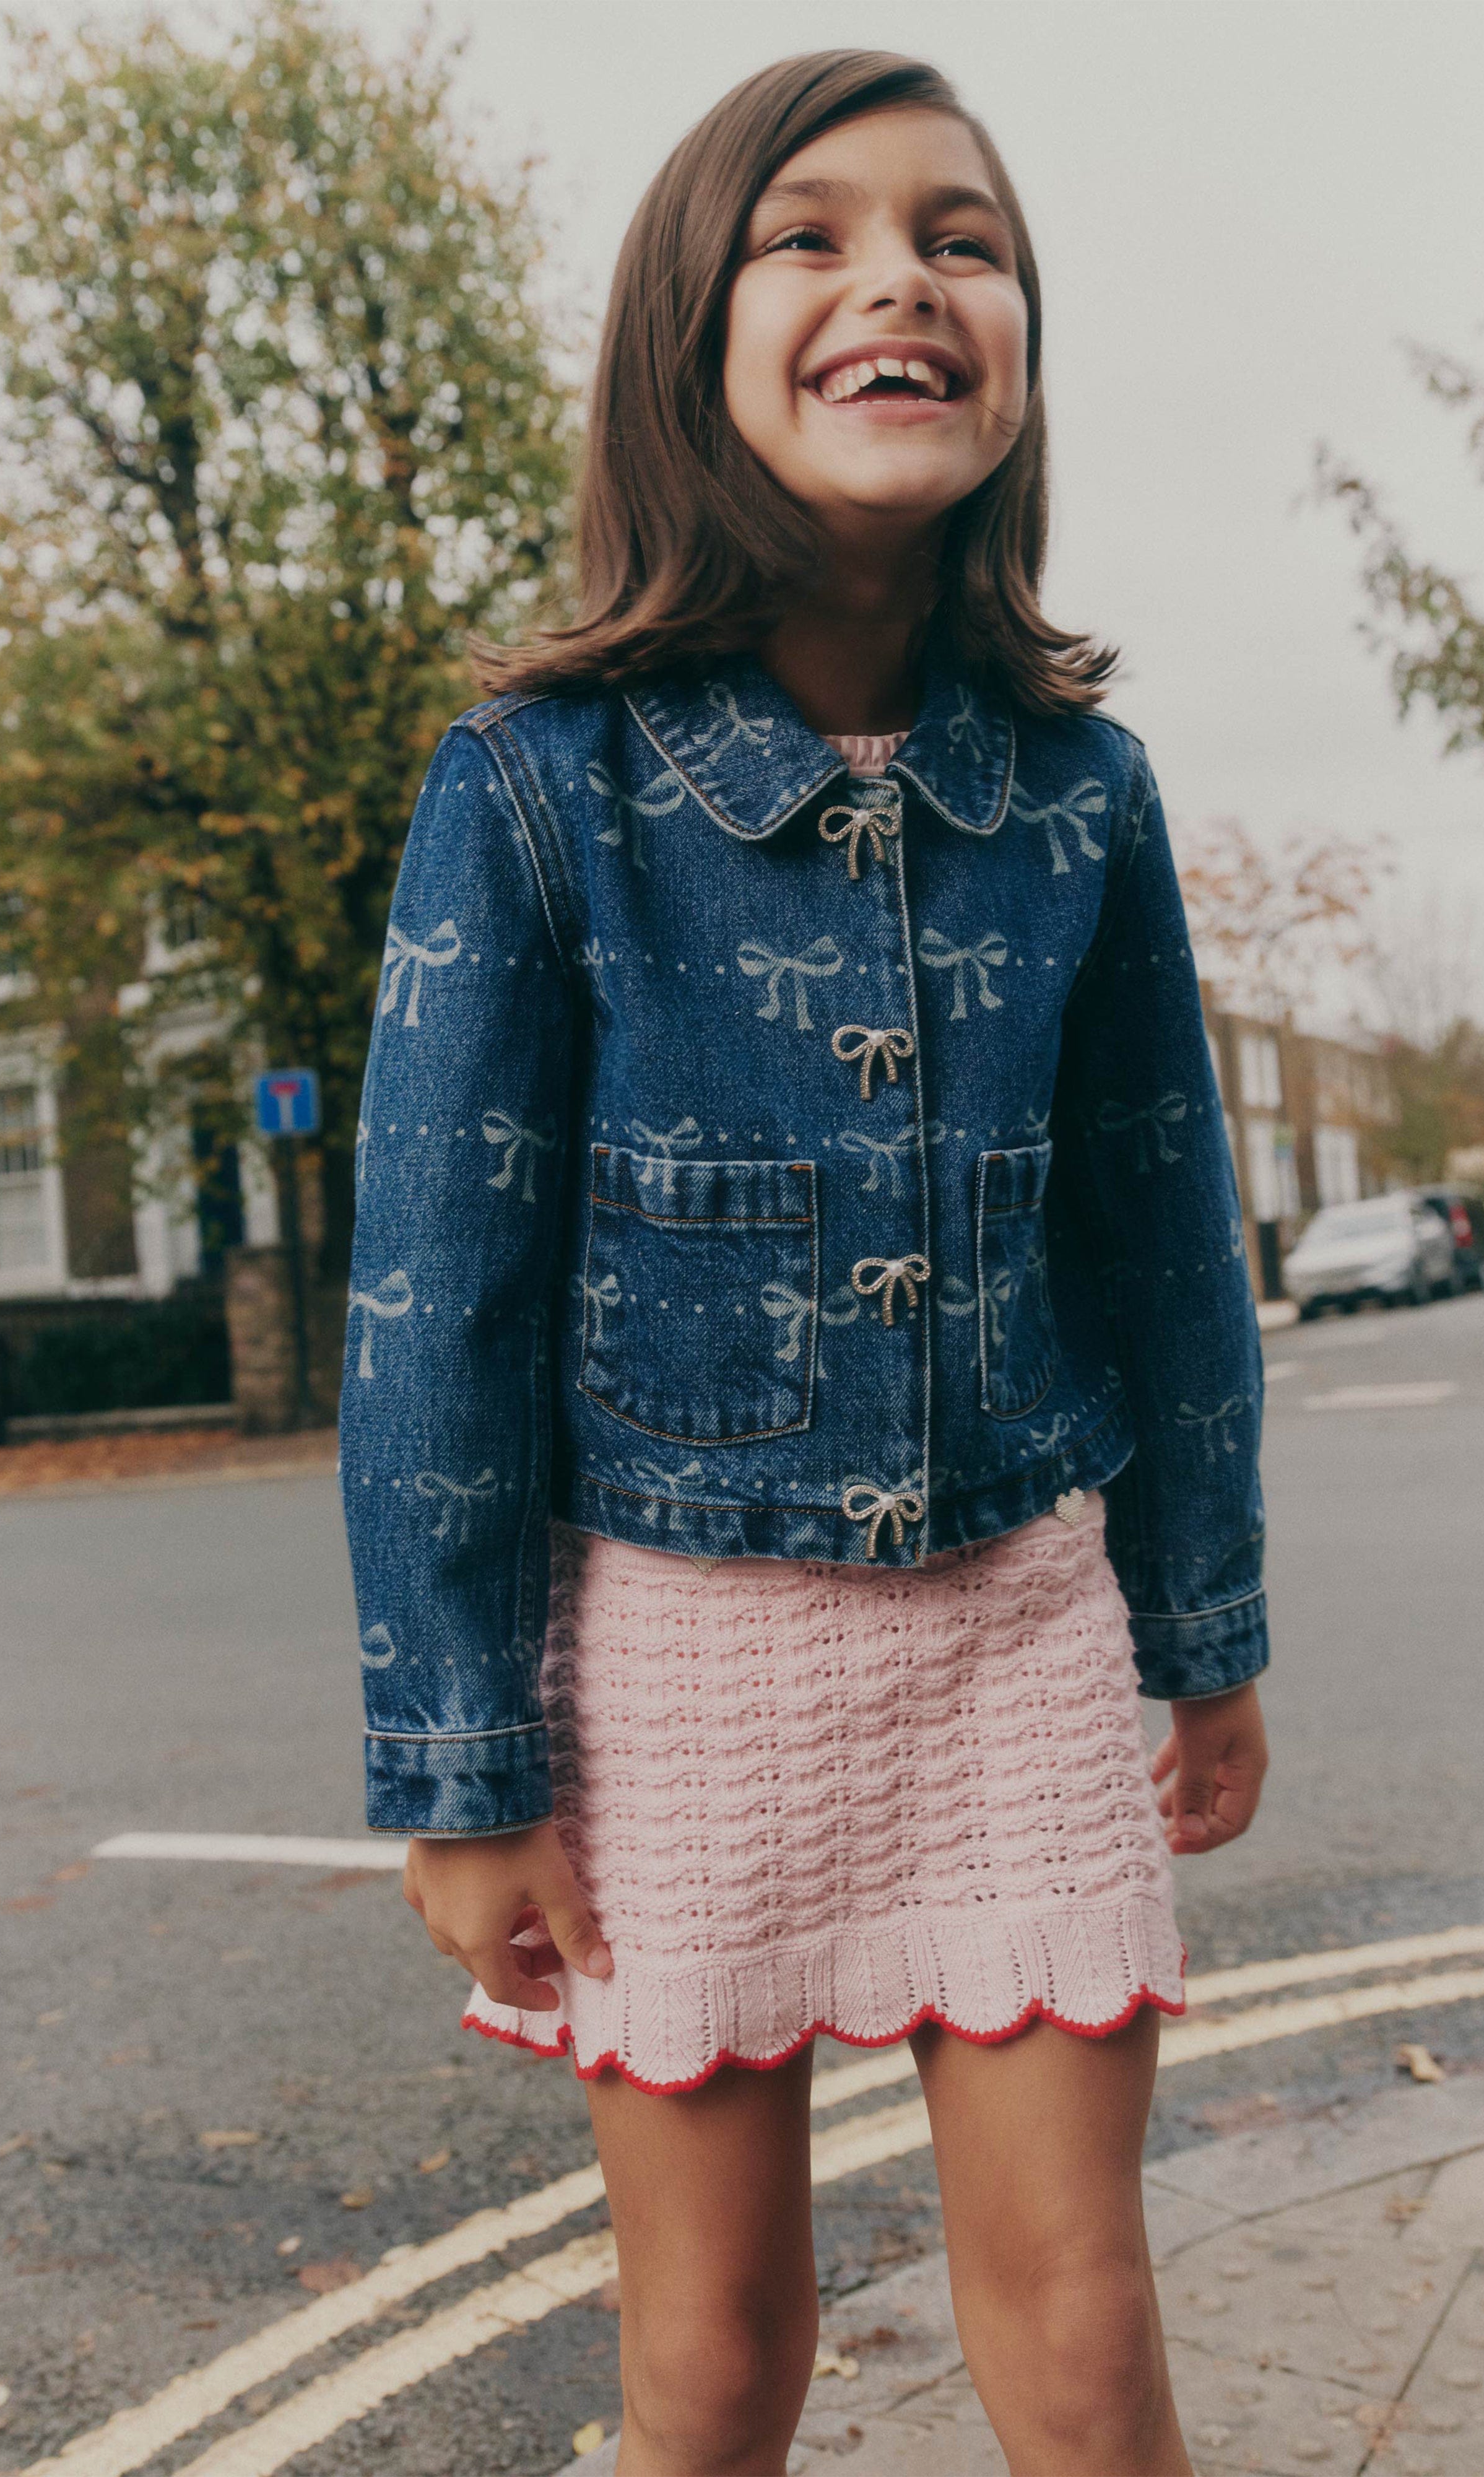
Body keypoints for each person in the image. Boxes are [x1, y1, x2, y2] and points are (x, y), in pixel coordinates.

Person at [341, 49, 1269, 2477]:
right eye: (816, 234)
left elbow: (1168, 1237)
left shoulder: (1086, 793)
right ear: (692, 338)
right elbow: (435, 1301)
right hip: (674, 1660)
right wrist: (464, 1767)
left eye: (966, 239)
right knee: (716, 2368)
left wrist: (1211, 1628)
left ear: (1021, 344)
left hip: (1021, 1640)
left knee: (1088, 2341)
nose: (905, 279)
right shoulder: (535, 783)